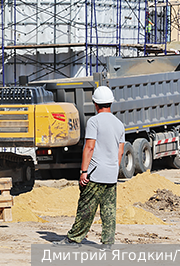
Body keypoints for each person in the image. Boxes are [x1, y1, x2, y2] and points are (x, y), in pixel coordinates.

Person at [55, 86, 125, 248]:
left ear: (95, 103)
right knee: (109, 211)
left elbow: (89, 147)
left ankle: (74, 239)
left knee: (86, 207)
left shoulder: (94, 122)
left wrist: (84, 171)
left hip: (95, 173)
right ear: (111, 103)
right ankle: (108, 243)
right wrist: (114, 169)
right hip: (111, 174)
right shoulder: (119, 124)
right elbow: (120, 152)